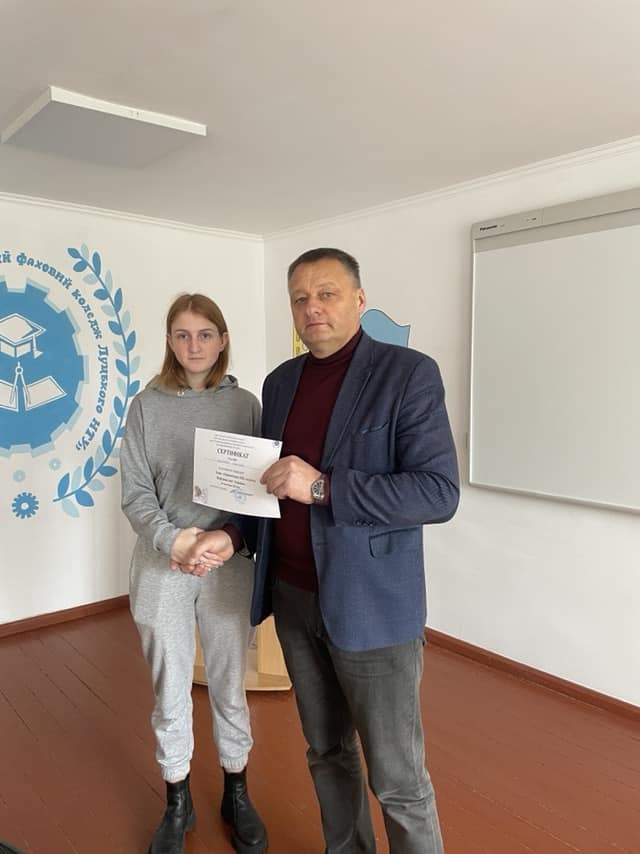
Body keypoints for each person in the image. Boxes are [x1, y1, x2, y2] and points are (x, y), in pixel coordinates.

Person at [192, 248, 459, 853]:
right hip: (293, 600)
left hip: (373, 608)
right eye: (300, 298)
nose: (312, 308)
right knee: (327, 752)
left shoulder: (408, 374)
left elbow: (437, 492)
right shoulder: (280, 383)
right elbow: (267, 486)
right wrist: (229, 535)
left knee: (398, 780)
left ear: (359, 301)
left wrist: (324, 487)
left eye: (327, 293)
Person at [120, 293, 268, 854]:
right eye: (182, 335)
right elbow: (136, 494)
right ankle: (176, 797)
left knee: (230, 683)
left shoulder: (246, 405)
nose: (194, 345)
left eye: (205, 334)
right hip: (163, 564)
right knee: (170, 687)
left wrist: (222, 541)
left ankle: (236, 790)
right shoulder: (145, 407)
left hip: (228, 564)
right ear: (169, 341)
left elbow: (258, 490)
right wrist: (177, 541)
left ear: (222, 339)